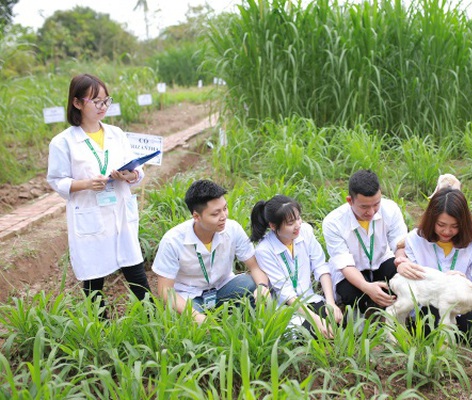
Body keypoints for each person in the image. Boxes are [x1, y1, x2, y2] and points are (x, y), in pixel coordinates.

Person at [47, 74, 150, 315]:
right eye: (96, 101)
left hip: (120, 210)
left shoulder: (116, 133)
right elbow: (56, 180)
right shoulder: (63, 142)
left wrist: (130, 176)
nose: (102, 107)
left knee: (134, 268)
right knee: (94, 279)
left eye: (106, 101)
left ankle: (155, 320)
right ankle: (101, 330)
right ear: (77, 103)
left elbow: (139, 172)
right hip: (90, 214)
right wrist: (85, 184)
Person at [152, 180, 270, 323]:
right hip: (191, 296)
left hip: (223, 287)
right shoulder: (173, 241)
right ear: (196, 216)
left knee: (251, 284)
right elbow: (165, 291)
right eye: (215, 214)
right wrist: (197, 316)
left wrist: (262, 287)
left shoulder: (232, 229)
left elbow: (254, 266)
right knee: (181, 319)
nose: (224, 216)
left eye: (225, 208)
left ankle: (246, 323)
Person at [395, 188, 472, 332]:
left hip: (465, 300)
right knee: (431, 327)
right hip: (432, 301)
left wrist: (465, 284)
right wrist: (401, 263)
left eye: (455, 226)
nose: (447, 232)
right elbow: (416, 282)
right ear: (431, 220)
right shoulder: (416, 240)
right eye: (441, 225)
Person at [250, 195, 343, 338]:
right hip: (288, 307)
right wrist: (316, 320)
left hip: (310, 299)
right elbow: (286, 293)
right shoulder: (264, 250)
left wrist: (331, 302)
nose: (298, 225)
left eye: (299, 218)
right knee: (311, 332)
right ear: (273, 226)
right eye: (290, 223)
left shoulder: (305, 231)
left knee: (338, 321)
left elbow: (320, 267)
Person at [322, 169, 408, 313]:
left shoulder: (390, 209)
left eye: (376, 204)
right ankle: (362, 311)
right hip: (352, 269)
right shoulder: (333, 222)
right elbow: (345, 264)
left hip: (380, 260)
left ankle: (390, 312)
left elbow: (399, 242)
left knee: (400, 277)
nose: (372, 212)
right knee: (351, 295)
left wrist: (400, 261)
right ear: (350, 200)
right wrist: (366, 287)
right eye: (364, 207)